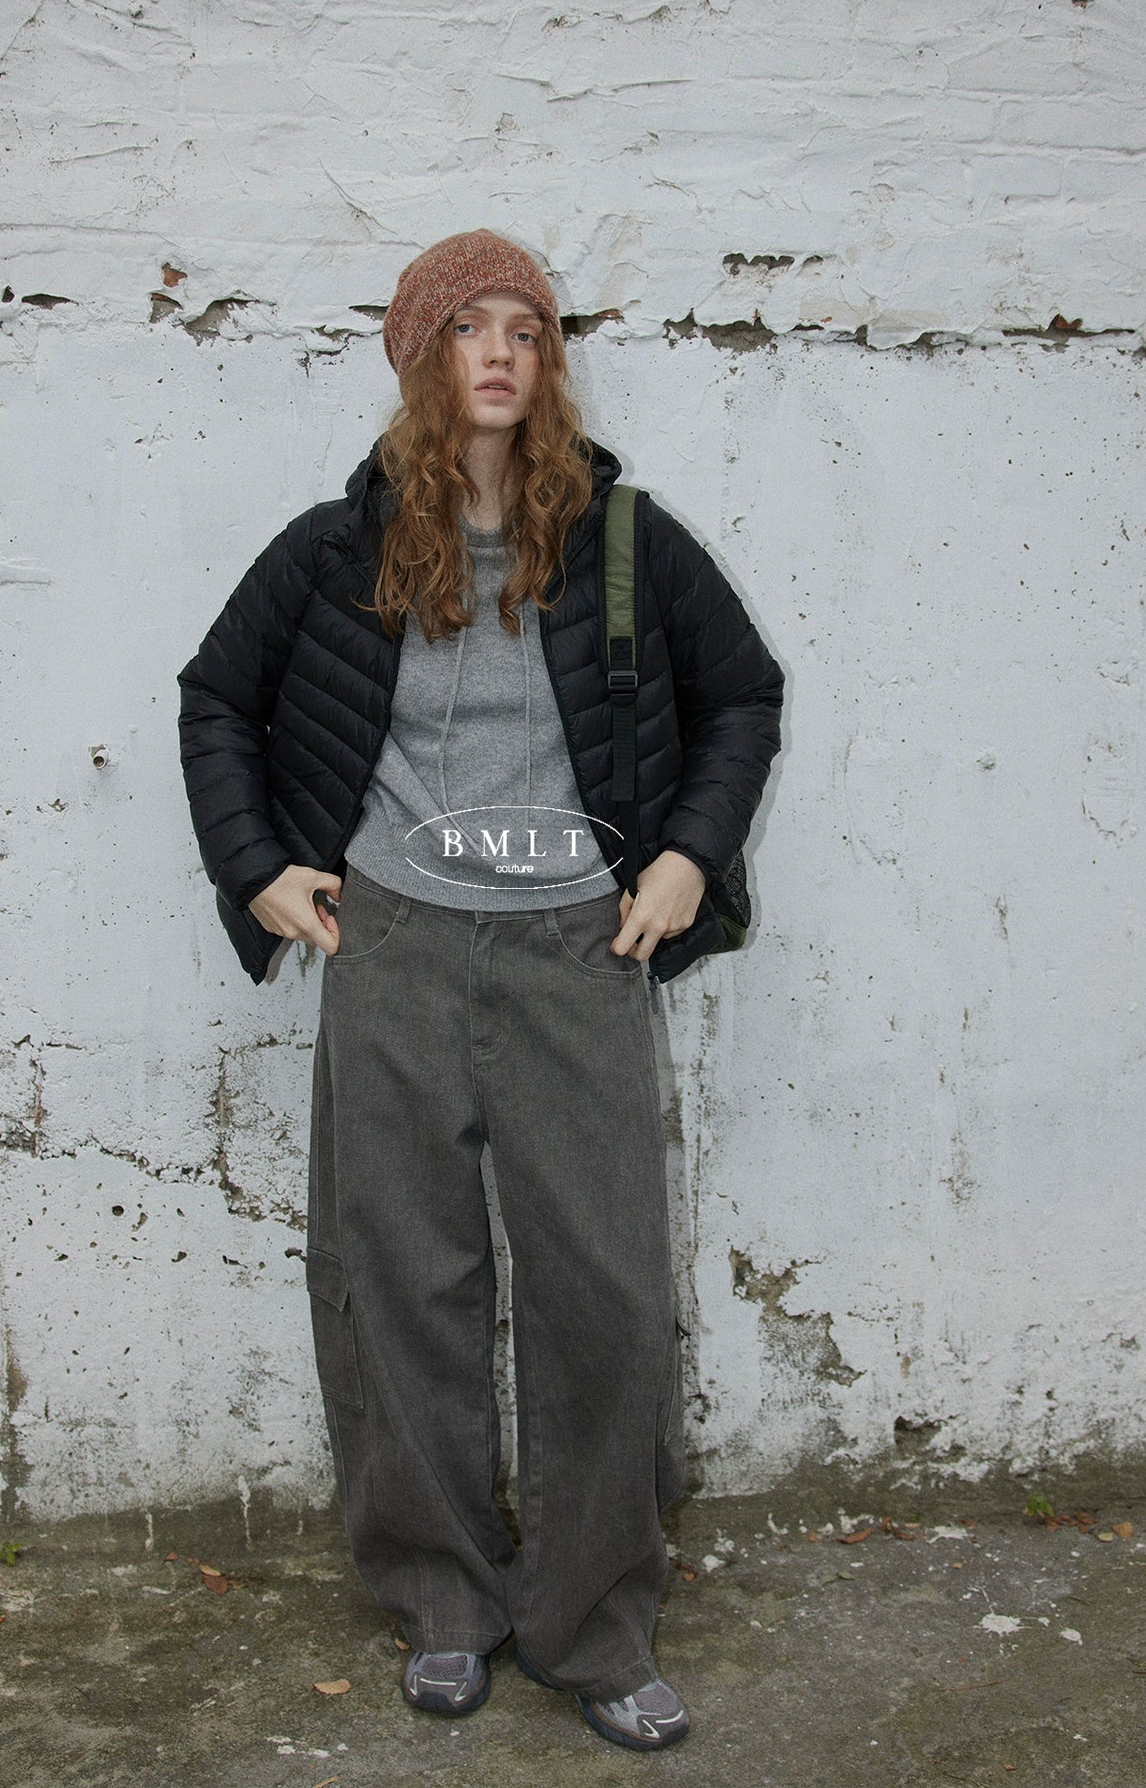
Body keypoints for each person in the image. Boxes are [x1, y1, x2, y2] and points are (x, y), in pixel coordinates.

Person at [177, 229, 783, 1752]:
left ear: (550, 361)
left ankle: (593, 1625)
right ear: (419, 359)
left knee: (605, 1294)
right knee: (402, 1282)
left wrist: (685, 860)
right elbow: (216, 698)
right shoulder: (339, 549)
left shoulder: (623, 540)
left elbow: (742, 693)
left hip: (579, 948)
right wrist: (257, 868)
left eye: (525, 327)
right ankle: (444, 1600)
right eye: (467, 328)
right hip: (390, 943)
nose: (500, 352)